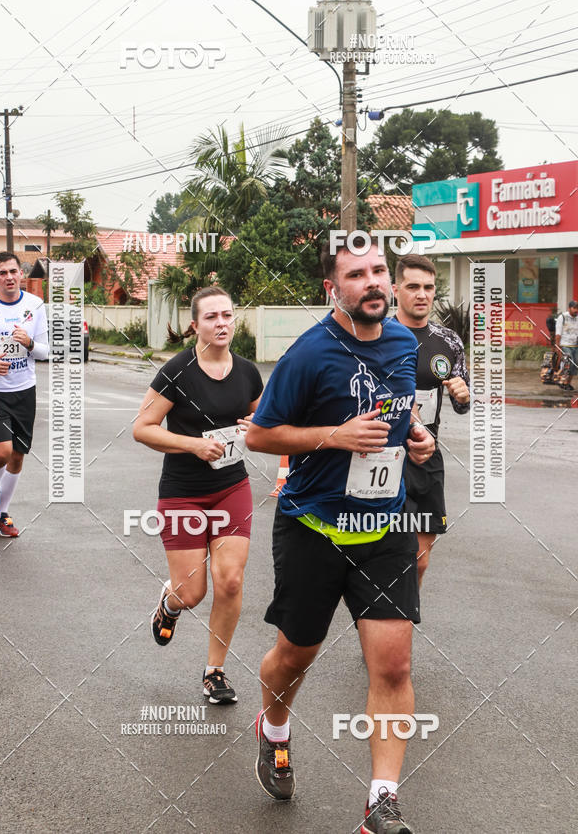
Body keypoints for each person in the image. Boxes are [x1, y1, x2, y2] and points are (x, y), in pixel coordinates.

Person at [246, 237, 435, 834]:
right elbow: (259, 435)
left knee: (394, 666)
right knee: (295, 654)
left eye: (379, 270)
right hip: (313, 527)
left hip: (384, 527)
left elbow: (397, 412)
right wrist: (334, 436)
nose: (372, 282)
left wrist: (416, 437)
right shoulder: (308, 354)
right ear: (333, 289)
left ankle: (382, 802)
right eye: (356, 275)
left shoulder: (404, 341)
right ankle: (274, 726)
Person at [133, 286, 263, 704]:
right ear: (195, 325)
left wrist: (256, 426)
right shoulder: (177, 370)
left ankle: (215, 671)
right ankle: (170, 604)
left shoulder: (248, 372)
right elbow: (142, 428)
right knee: (192, 593)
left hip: (231, 487)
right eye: (211, 317)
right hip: (183, 493)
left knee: (231, 580)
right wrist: (193, 445)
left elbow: (262, 420)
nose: (221, 323)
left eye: (227, 315)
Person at [392, 254, 470, 585]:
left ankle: (404, 614)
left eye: (428, 287)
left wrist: (463, 395)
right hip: (382, 455)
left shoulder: (448, 340)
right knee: (387, 556)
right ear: (395, 290)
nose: (422, 294)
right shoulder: (379, 335)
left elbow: (462, 404)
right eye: (413, 287)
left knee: (419, 562)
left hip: (426, 458)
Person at [0, 252, 48, 537]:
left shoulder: (35, 306)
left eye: (13, 271)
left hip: (24, 391)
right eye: (2, 273)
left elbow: (44, 351)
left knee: (17, 458)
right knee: (2, 451)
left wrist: (29, 342)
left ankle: (2, 515)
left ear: (21, 274)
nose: (9, 277)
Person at [554, 300, 578, 391]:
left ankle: (567, 383)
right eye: (574, 308)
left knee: (575, 364)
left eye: (577, 308)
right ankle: (562, 381)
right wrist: (557, 347)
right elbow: (558, 333)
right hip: (565, 345)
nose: (576, 310)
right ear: (569, 308)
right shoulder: (563, 317)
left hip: (575, 345)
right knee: (569, 363)